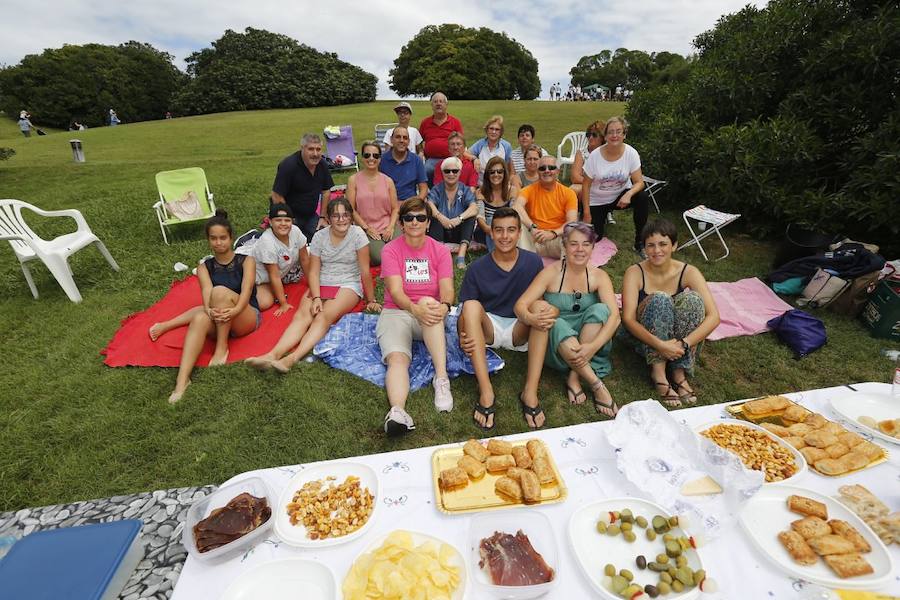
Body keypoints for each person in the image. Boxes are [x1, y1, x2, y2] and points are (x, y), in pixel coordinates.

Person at [245, 198, 379, 373]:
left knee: (323, 316)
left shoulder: (358, 234)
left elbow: (364, 270)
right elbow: (314, 272)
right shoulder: (319, 236)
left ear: (351, 218)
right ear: (328, 219)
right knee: (302, 316)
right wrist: (316, 297)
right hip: (322, 281)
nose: (341, 219)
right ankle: (272, 355)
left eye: (345, 215)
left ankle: (291, 359)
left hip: (347, 283)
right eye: (336, 216)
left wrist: (371, 300)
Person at [149, 211, 261, 404]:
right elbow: (206, 294)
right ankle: (182, 382)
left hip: (245, 316)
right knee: (201, 316)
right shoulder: (204, 267)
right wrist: (209, 311)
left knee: (219, 293)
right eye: (214, 238)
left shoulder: (246, 261)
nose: (218, 243)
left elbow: (246, 291)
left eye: (223, 238)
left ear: (231, 238)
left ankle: (221, 348)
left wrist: (234, 311)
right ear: (208, 240)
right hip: (218, 317)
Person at [515, 221, 620, 419]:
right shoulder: (551, 273)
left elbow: (615, 317)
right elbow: (520, 305)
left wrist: (592, 346)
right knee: (553, 319)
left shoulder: (599, 276)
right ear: (564, 246)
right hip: (557, 344)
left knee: (600, 310)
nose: (580, 250)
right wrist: (531, 318)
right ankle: (597, 385)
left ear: (592, 247)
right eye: (574, 244)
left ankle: (575, 376)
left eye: (586, 244)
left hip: (589, 345)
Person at [458, 207, 548, 430]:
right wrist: (463, 335)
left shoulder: (533, 262)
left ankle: (530, 392)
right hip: (488, 330)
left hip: (521, 328)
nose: (505, 236)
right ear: (491, 233)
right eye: (499, 230)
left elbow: (541, 302)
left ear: (519, 233)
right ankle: (486, 391)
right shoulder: (476, 269)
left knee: (539, 306)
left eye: (510, 230)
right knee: (470, 305)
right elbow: (465, 311)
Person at [621, 219, 720, 407]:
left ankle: (678, 372)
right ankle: (658, 373)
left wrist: (684, 343)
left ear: (674, 245)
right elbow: (627, 319)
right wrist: (661, 345)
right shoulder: (634, 272)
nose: (657, 250)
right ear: (644, 248)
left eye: (663, 244)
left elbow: (713, 316)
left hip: (677, 340)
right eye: (650, 245)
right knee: (660, 298)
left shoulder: (689, 272)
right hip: (642, 336)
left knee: (693, 300)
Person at [377, 198, 455, 436]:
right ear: (401, 223)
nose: (415, 222)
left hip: (428, 313)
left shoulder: (440, 250)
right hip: (397, 311)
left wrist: (445, 305)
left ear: (428, 223)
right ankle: (398, 411)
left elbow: (448, 288)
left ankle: (441, 379)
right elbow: (396, 291)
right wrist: (415, 309)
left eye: (420, 218)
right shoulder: (390, 250)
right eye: (409, 218)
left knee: (429, 302)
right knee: (397, 359)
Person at [581, 116, 651, 256]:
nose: (614, 135)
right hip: (597, 200)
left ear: (624, 134)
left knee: (642, 197)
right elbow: (586, 186)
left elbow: (639, 182)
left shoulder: (631, 153)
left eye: (619, 131)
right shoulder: (595, 156)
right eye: (611, 132)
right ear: (605, 136)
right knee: (595, 238)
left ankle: (639, 242)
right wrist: (587, 214)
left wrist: (629, 194)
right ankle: (591, 217)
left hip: (619, 198)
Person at [237, 204, 310, 314]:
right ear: (270, 222)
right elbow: (274, 276)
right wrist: (283, 303)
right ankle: (247, 239)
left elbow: (304, 259)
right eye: (278, 220)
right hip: (255, 277)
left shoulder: (295, 231)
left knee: (314, 256)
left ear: (292, 221)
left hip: (276, 273)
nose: (283, 224)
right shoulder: (267, 243)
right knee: (264, 302)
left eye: (287, 220)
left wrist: (312, 283)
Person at [272, 133, 335, 241]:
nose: (315, 153)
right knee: (291, 244)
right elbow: (276, 195)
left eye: (318, 149)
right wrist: (288, 220)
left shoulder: (322, 165)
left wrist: (323, 217)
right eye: (311, 149)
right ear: (302, 148)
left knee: (326, 239)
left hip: (311, 215)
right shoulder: (288, 165)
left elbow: (326, 191)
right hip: (289, 217)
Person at [514, 155, 578, 258]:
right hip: (535, 239)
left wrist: (553, 233)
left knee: (573, 232)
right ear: (538, 171)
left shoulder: (569, 193)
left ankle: (566, 270)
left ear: (558, 171)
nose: (546, 171)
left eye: (551, 168)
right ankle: (526, 263)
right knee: (518, 223)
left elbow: (572, 222)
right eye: (542, 168)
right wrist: (532, 227)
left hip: (558, 240)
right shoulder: (528, 190)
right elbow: (517, 207)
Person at [347, 141, 399, 266]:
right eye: (367, 155)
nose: (371, 159)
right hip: (366, 227)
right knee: (379, 258)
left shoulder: (388, 181)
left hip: (388, 225)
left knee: (402, 251)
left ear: (380, 159)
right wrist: (366, 228)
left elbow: (395, 208)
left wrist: (391, 227)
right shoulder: (353, 180)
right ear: (362, 158)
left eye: (375, 156)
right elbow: (351, 209)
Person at [426, 157, 478, 269]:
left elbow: (474, 208)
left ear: (459, 172)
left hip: (458, 230)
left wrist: (459, 218)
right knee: (434, 215)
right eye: (447, 171)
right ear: (442, 173)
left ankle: (461, 256)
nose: (451, 174)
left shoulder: (465, 189)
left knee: (470, 217)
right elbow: (429, 204)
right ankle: (438, 256)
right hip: (441, 230)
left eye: (455, 171)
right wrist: (441, 217)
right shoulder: (437, 189)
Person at [419, 91, 463, 184]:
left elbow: (461, 142)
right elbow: (419, 142)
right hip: (431, 159)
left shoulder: (455, 122)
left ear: (446, 104)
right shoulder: (425, 122)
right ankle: (432, 194)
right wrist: (421, 152)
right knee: (426, 170)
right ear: (432, 105)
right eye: (435, 102)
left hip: (451, 157)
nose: (438, 104)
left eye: (441, 101)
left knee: (453, 170)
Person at [476, 156, 516, 252]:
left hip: (507, 229)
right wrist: (488, 229)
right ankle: (496, 254)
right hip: (486, 231)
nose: (496, 174)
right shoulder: (481, 191)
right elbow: (480, 217)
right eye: (492, 172)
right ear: (487, 174)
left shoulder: (511, 190)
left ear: (504, 173)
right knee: (492, 219)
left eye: (499, 171)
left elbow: (514, 214)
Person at [379, 126, 427, 203]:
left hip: (410, 205)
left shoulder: (416, 160)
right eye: (398, 137)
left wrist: (415, 204)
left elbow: (423, 188)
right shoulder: (381, 160)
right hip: (387, 204)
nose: (401, 140)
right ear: (391, 140)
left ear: (408, 141)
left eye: (405, 138)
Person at [466, 116, 513, 183]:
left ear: (501, 132)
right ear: (487, 130)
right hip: (481, 184)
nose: (493, 132)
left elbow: (510, 170)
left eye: (497, 129)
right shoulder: (480, 144)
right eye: (491, 128)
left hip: (500, 183)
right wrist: (474, 159)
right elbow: (465, 153)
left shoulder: (506, 146)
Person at [569, 120, 605, 198]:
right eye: (588, 135)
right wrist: (593, 183)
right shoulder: (581, 153)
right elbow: (575, 177)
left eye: (594, 135)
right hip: (587, 184)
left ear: (602, 137)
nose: (590, 137)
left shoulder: (607, 153)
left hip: (604, 187)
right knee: (572, 190)